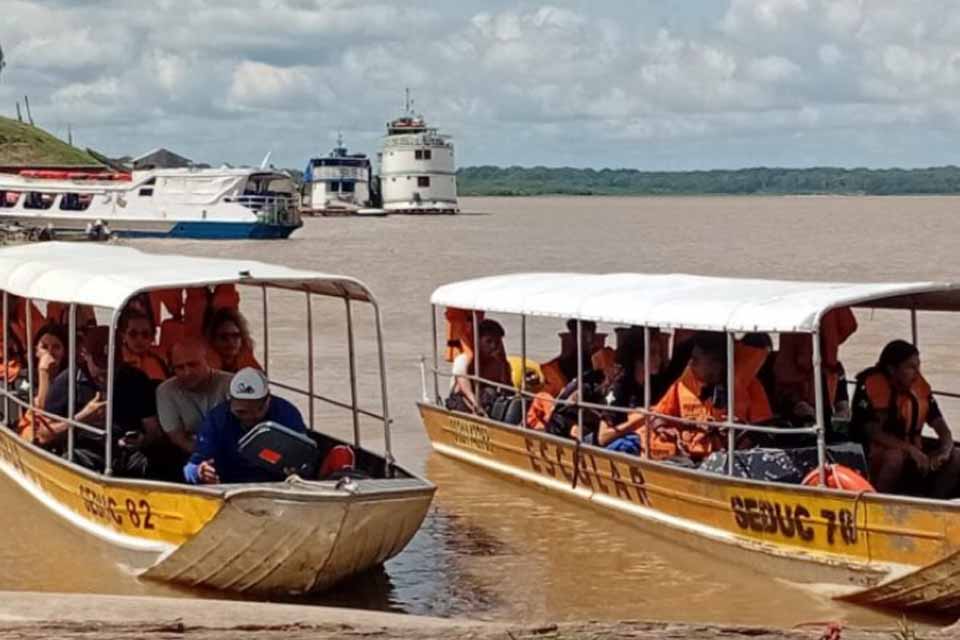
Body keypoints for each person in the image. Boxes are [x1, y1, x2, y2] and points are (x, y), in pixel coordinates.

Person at [42, 326, 163, 477]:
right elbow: (44, 434)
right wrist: (83, 418)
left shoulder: (136, 379)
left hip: (127, 452)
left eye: (113, 366)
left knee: (160, 460)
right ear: (85, 355)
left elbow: (153, 430)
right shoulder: (67, 381)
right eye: (100, 366)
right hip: (86, 452)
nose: (107, 373)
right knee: (70, 461)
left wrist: (142, 440)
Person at [640, 332, 773, 463]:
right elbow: (657, 415)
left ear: (717, 363)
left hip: (730, 461)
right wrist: (663, 428)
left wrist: (738, 430)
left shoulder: (750, 386)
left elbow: (764, 431)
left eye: (696, 360)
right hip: (687, 458)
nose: (691, 363)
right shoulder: (683, 384)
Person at [851, 340, 960, 498]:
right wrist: (910, 450)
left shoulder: (919, 387)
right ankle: (878, 502)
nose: (917, 372)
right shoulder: (870, 385)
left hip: (915, 452)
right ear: (892, 369)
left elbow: (940, 425)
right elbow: (872, 431)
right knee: (894, 457)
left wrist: (945, 448)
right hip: (875, 456)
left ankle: (936, 501)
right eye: (910, 367)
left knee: (957, 455)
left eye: (918, 366)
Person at [185, 367, 307, 484]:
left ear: (268, 399)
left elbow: (305, 459)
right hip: (230, 485)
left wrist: (297, 469)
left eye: (257, 411)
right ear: (230, 401)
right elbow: (190, 468)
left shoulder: (287, 413)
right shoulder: (216, 420)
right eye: (241, 412)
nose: (249, 417)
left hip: (276, 483)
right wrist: (199, 472)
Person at [156, 338, 232, 456]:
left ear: (207, 361)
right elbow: (178, 438)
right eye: (180, 367)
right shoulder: (166, 391)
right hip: (192, 455)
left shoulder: (231, 384)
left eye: (193, 365)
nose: (187, 372)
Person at [597, 335, 669, 452]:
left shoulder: (653, 385)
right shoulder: (619, 389)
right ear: (638, 358)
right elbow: (602, 437)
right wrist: (638, 420)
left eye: (659, 353)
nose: (658, 359)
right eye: (653, 353)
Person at [447, 318, 512, 416]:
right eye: (488, 342)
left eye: (497, 342)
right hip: (462, 401)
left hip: (487, 403)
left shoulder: (497, 363)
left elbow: (506, 387)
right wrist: (477, 407)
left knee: (494, 394)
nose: (493, 346)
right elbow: (465, 390)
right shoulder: (464, 360)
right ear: (477, 341)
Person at [17, 323, 68, 441]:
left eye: (56, 347)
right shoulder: (27, 376)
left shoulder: (68, 378)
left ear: (64, 352)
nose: (50, 352)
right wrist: (43, 371)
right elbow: (39, 409)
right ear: (36, 351)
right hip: (32, 434)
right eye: (44, 347)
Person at [540, 320, 600, 397]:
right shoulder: (553, 369)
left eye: (584, 337)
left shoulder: (597, 362)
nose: (579, 339)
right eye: (576, 335)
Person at [203, 307, 262, 373]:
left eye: (235, 336)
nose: (230, 341)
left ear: (242, 339)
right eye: (223, 337)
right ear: (213, 340)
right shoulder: (203, 373)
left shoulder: (252, 371)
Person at [119, 308, 168, 382]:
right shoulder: (114, 361)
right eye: (133, 334)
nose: (139, 339)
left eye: (145, 334)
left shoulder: (160, 362)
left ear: (152, 337)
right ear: (123, 336)